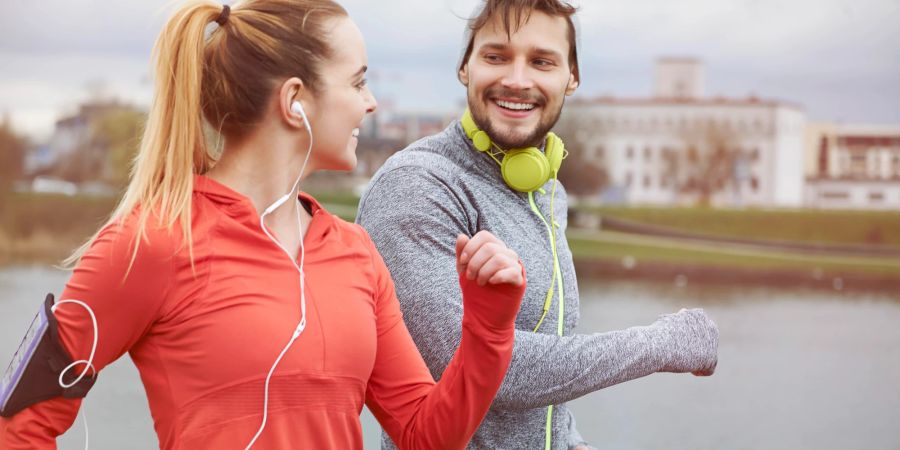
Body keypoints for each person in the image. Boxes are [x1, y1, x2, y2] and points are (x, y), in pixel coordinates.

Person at [0, 1, 529, 448]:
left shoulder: (358, 253)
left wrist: (488, 325)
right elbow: (17, 423)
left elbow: (424, 434)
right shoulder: (153, 241)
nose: (370, 104)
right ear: (294, 101)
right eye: (358, 82)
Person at [356, 1, 720, 449]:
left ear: (571, 78)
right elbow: (480, 370)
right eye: (496, 57)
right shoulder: (416, 185)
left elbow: (544, 372)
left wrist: (571, 439)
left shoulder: (547, 191)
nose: (517, 79)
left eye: (542, 61)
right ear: (464, 67)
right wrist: (660, 345)